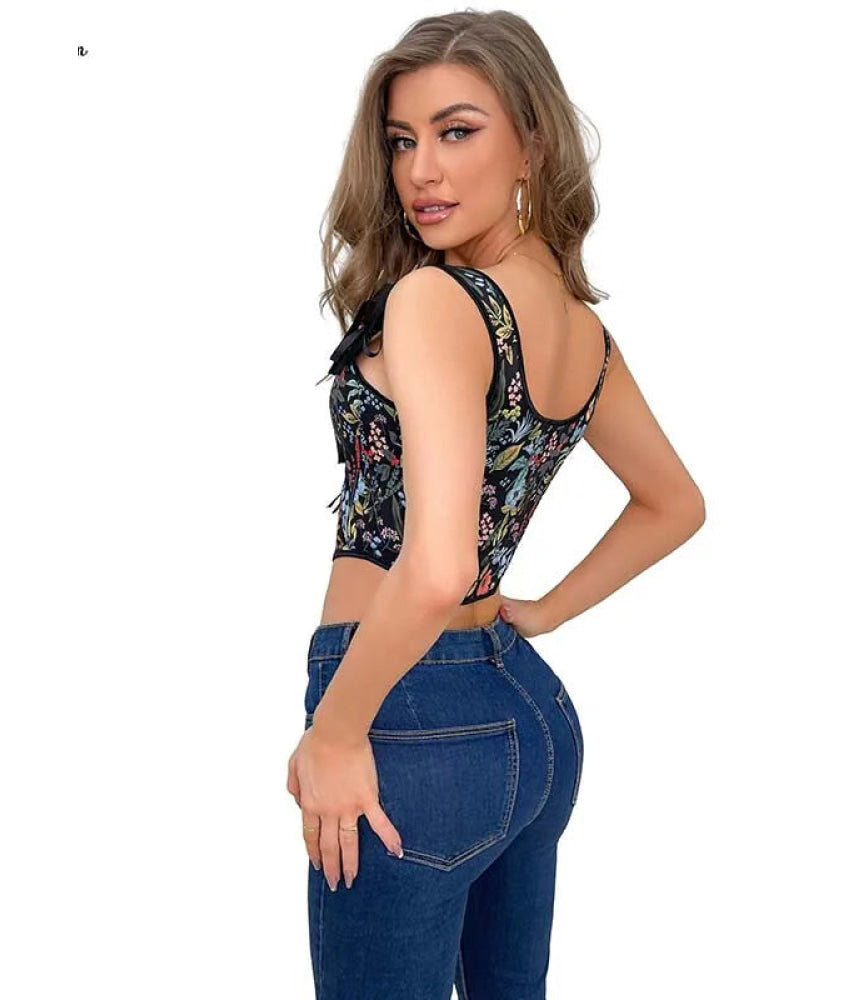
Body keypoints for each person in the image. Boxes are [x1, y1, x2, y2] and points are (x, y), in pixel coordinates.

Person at [286, 11, 705, 999]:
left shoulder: (437, 300)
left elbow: (436, 568)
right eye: (402, 140)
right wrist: (542, 613)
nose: (421, 170)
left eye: (457, 131)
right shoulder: (578, 330)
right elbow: (674, 503)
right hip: (527, 715)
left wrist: (336, 732)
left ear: (534, 141)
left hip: (405, 719)